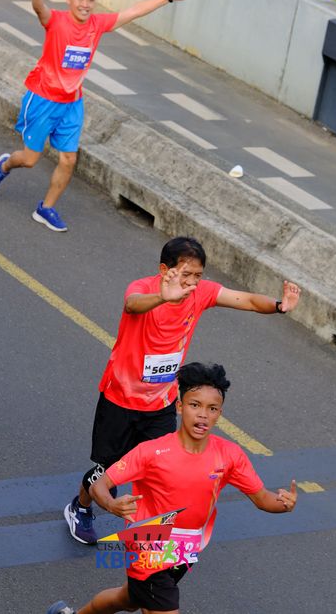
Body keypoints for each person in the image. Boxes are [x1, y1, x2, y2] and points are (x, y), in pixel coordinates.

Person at [64, 236, 300, 544]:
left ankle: (155, 532)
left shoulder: (200, 293)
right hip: (120, 399)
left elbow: (247, 301)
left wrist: (280, 306)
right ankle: (80, 507)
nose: (191, 282)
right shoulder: (143, 289)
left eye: (197, 275)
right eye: (185, 274)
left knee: (163, 467)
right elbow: (132, 305)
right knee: (108, 469)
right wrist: (163, 297)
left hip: (161, 404)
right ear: (165, 270)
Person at [48, 361, 297, 614]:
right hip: (148, 543)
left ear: (219, 414)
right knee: (158, 604)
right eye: (195, 405)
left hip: (187, 546)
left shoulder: (230, 455)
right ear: (179, 406)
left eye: (211, 408)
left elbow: (262, 498)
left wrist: (284, 504)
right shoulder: (151, 452)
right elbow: (99, 484)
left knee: (129, 599)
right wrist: (111, 504)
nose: (203, 414)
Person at [0, 0, 186, 231]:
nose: (85, 4)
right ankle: (4, 166)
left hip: (72, 104)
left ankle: (46, 208)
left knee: (69, 159)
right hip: (43, 99)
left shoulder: (97, 25)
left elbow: (133, 12)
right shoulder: (56, 21)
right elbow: (39, 7)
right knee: (30, 160)